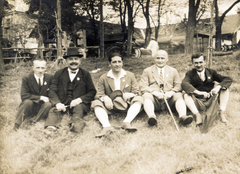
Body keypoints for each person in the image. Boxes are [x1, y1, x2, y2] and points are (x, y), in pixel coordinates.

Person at [44, 47, 96, 134]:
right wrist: (57, 103)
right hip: (62, 104)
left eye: (76, 59)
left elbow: (92, 91)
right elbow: (52, 91)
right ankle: (50, 128)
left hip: (78, 104)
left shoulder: (85, 74)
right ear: (66, 61)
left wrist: (79, 100)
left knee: (79, 110)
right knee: (53, 110)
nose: (73, 61)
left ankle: (75, 127)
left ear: (80, 61)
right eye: (70, 59)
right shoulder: (59, 73)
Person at [92, 52, 143, 138]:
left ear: (122, 63)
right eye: (114, 62)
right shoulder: (103, 77)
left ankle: (126, 122)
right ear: (109, 64)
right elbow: (99, 94)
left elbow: (136, 91)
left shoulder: (130, 75)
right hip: (110, 106)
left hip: (126, 105)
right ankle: (106, 126)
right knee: (96, 102)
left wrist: (130, 94)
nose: (117, 64)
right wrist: (105, 97)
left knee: (139, 99)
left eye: (119, 62)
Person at [139, 50, 193, 126]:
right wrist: (155, 93)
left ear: (167, 59)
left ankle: (182, 116)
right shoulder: (147, 71)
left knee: (178, 95)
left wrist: (171, 93)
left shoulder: (173, 71)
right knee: (146, 95)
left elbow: (178, 85)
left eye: (162, 58)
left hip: (169, 99)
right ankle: (152, 117)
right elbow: (143, 86)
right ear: (154, 59)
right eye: (158, 58)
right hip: (155, 100)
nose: (160, 61)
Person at [181, 54, 232, 126]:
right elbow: (184, 84)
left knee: (225, 89)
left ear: (205, 62)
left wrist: (218, 87)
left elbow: (228, 79)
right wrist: (199, 92)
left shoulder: (211, 72)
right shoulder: (190, 74)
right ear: (193, 63)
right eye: (196, 63)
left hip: (211, 100)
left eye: (201, 62)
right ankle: (197, 115)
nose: (198, 65)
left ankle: (221, 113)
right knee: (186, 94)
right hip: (197, 101)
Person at [13, 59, 53, 131]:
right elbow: (24, 95)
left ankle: (34, 121)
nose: (40, 70)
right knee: (27, 102)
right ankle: (16, 125)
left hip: (43, 107)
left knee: (48, 104)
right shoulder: (27, 78)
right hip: (30, 105)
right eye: (37, 68)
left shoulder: (50, 78)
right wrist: (40, 97)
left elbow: (53, 92)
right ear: (33, 68)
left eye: (42, 68)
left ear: (45, 68)